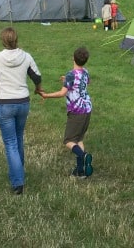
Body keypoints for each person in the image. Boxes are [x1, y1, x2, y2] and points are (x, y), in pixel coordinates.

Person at [0, 27, 43, 195]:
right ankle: (18, 173)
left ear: (3, 41)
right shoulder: (26, 57)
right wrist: (38, 88)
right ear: (16, 39)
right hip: (22, 103)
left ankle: (18, 182)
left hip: (4, 104)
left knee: (11, 143)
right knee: (18, 138)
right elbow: (37, 76)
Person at [39, 46, 93, 178]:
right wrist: (67, 81)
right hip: (87, 109)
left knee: (68, 140)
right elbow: (83, 84)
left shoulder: (71, 74)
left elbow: (62, 93)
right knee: (78, 139)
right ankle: (81, 171)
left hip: (77, 112)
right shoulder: (85, 72)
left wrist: (46, 95)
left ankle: (84, 156)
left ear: (73, 58)